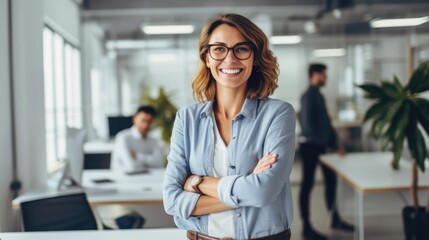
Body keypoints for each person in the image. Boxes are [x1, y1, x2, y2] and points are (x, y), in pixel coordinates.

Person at [163, 13, 296, 240]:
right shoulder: (187, 118)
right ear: (206, 57)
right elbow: (172, 201)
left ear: (254, 57)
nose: (230, 59)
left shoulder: (278, 114)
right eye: (219, 49)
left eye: (241, 49)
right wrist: (247, 189)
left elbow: (263, 192)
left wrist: (198, 182)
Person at [298, 63, 354, 240]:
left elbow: (326, 124)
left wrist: (336, 143)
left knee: (331, 182)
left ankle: (335, 219)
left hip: (323, 147)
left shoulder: (318, 96)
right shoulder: (308, 96)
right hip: (310, 148)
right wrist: (326, 144)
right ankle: (307, 227)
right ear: (315, 75)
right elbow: (308, 127)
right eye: (324, 74)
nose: (326, 78)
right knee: (307, 185)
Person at [110, 105, 163, 173]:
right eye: (143, 120)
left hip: (147, 178)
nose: (146, 125)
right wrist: (150, 160)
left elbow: (159, 163)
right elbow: (132, 166)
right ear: (134, 119)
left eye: (149, 121)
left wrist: (137, 155)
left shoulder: (154, 140)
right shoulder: (123, 137)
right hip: (123, 180)